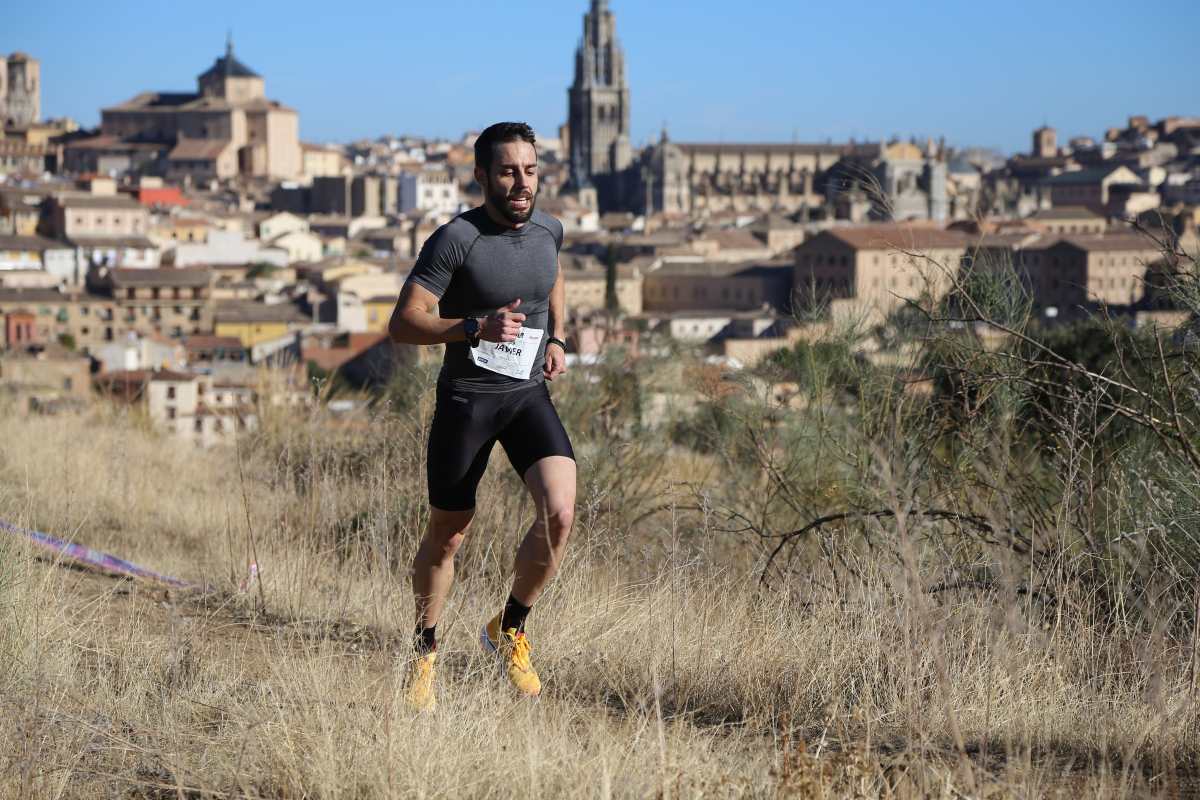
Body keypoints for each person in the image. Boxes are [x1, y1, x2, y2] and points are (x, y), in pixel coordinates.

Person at [387, 121, 575, 710]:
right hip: (467, 400)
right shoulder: (455, 239)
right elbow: (404, 321)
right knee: (448, 538)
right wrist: (473, 326)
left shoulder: (550, 229)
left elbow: (553, 278)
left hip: (525, 396)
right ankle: (423, 653)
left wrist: (558, 340)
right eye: (508, 171)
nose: (522, 183)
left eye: (530, 170)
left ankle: (509, 627)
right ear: (482, 176)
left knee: (561, 512)